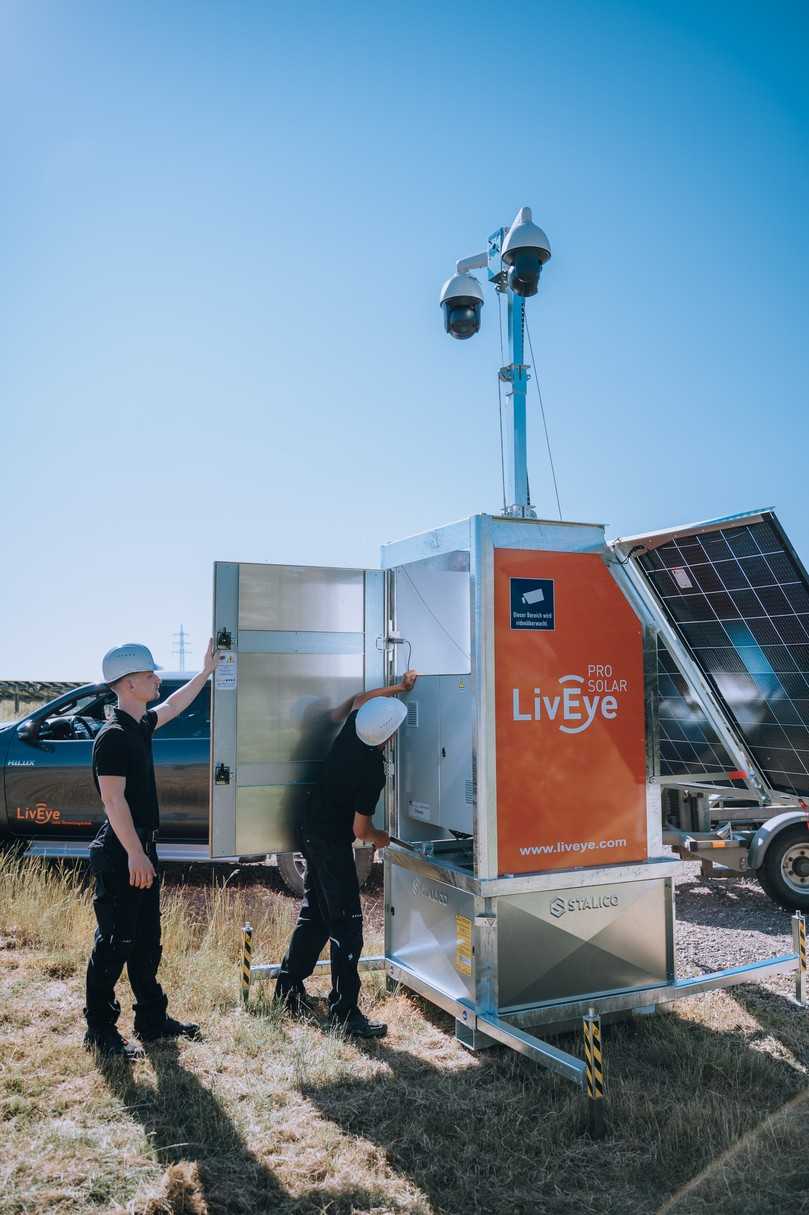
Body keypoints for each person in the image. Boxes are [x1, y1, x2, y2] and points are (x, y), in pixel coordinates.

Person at [83, 639, 218, 1059]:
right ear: (126, 685)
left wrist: (205, 672)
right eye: (149, 675)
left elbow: (174, 707)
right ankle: (101, 1031)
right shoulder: (112, 737)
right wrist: (136, 855)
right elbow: (112, 801)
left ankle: (152, 1020)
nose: (157, 679)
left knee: (146, 941)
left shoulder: (138, 726)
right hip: (124, 851)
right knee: (115, 941)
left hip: (141, 849)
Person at [275, 670, 418, 1039]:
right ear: (387, 736)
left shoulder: (354, 728)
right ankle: (344, 1011)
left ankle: (287, 988)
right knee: (346, 923)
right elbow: (360, 831)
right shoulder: (372, 771)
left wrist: (399, 688)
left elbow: (360, 700)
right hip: (330, 841)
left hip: (308, 828)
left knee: (317, 915)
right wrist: (381, 838)